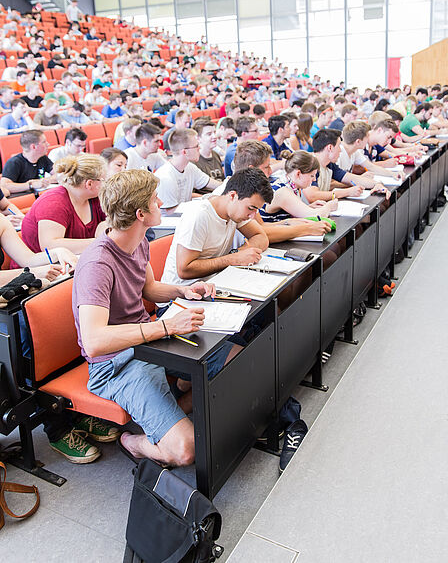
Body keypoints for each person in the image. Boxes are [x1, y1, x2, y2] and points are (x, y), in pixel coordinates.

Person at [76, 169, 233, 466]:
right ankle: (133, 441)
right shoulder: (97, 263)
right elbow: (95, 342)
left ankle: (173, 407)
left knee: (236, 359)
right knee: (187, 450)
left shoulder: (138, 241)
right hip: (116, 363)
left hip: (149, 340)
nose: (160, 202)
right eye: (155, 200)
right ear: (140, 214)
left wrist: (184, 291)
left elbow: (148, 288)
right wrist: (166, 326)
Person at [161, 167, 271, 286]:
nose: (252, 216)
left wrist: (237, 253)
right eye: (250, 208)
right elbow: (184, 270)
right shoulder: (199, 215)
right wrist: (234, 258)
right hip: (181, 294)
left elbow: (261, 237)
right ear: (232, 196)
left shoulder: (234, 212)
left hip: (213, 283)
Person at [20, 154, 107, 257]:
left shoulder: (94, 198)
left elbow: (111, 224)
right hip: (41, 268)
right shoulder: (53, 203)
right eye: (103, 180)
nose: (105, 184)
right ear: (89, 184)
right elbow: (50, 246)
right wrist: (100, 242)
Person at [259, 151, 338, 223]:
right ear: (298, 174)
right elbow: (316, 216)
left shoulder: (289, 185)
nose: (314, 179)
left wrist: (308, 207)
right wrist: (329, 206)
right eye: (312, 175)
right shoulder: (282, 191)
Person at [155, 128, 220, 211]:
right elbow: (170, 213)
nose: (199, 148)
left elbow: (214, 184)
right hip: (170, 221)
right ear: (185, 152)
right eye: (196, 146)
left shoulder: (190, 167)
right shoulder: (165, 177)